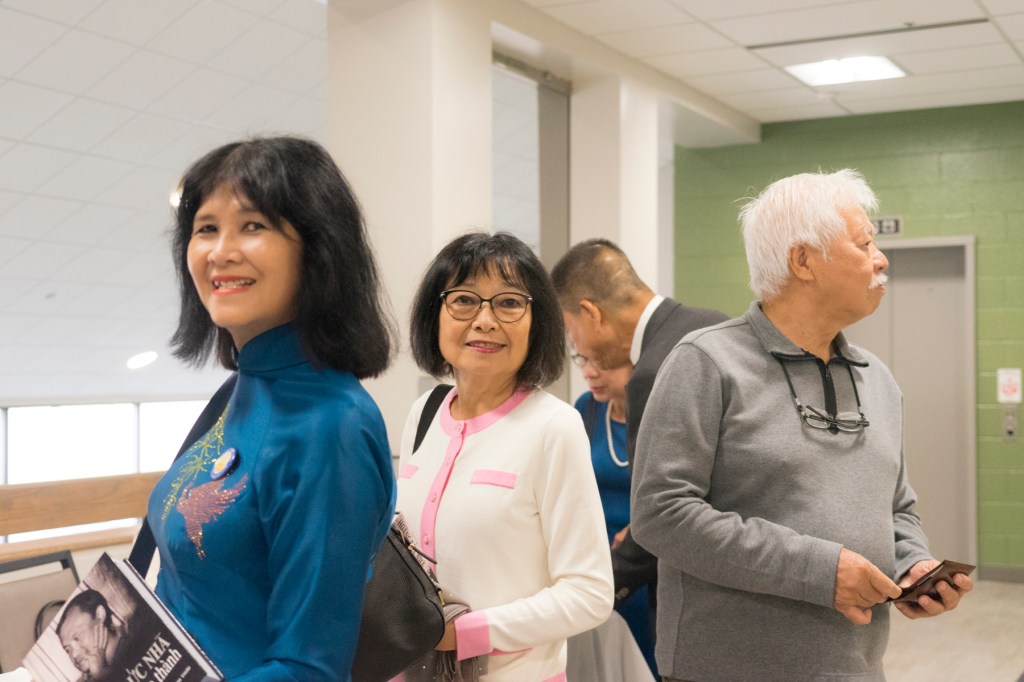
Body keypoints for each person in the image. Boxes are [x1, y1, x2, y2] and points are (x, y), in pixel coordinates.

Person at [630, 169, 974, 681]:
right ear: (803, 261)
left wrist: (913, 564)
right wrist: (820, 571)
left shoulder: (876, 378)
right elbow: (661, 514)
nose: (881, 259)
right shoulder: (706, 362)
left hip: (855, 670)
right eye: (864, 244)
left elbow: (897, 508)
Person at [146, 136, 397, 680]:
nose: (220, 251)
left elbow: (309, 669)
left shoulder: (332, 426)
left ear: (318, 248)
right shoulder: (241, 389)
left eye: (252, 225)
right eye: (206, 228)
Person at [397, 231, 614, 681]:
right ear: (434, 314)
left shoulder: (553, 426)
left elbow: (589, 593)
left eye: (509, 303)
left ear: (537, 322)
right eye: (463, 300)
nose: (485, 320)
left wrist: (466, 634)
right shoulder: (424, 413)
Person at [551, 240, 727, 605]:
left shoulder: (651, 373)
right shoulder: (715, 323)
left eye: (571, 332)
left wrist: (595, 594)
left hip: (695, 591)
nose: (578, 348)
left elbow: (661, 514)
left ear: (591, 313)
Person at [571, 354, 657, 677]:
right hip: (596, 563)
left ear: (636, 362)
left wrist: (640, 529)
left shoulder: (658, 413)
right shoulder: (587, 409)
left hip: (644, 563)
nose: (589, 372)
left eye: (603, 363)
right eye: (582, 359)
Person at [56, 590, 128, 681]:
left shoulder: (137, 641)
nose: (74, 655)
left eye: (77, 637)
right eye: (68, 650)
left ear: (100, 615)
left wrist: (103, 675)